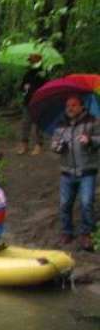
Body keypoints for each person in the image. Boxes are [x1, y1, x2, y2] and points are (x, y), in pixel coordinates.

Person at [51, 94, 100, 251]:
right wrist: (59, 146)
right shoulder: (61, 125)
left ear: (81, 106)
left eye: (73, 105)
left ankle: (87, 234)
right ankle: (67, 232)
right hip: (67, 171)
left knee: (86, 203)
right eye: (67, 106)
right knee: (65, 204)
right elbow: (54, 145)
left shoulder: (92, 121)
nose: (70, 108)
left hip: (87, 171)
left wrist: (90, 140)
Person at [16, 54, 47, 155]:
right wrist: (24, 88)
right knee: (25, 123)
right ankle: (24, 145)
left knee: (39, 124)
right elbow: (22, 87)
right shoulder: (28, 73)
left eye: (32, 61)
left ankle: (39, 145)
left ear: (38, 60)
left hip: (39, 101)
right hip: (27, 101)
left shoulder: (43, 73)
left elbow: (46, 86)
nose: (30, 62)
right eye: (30, 61)